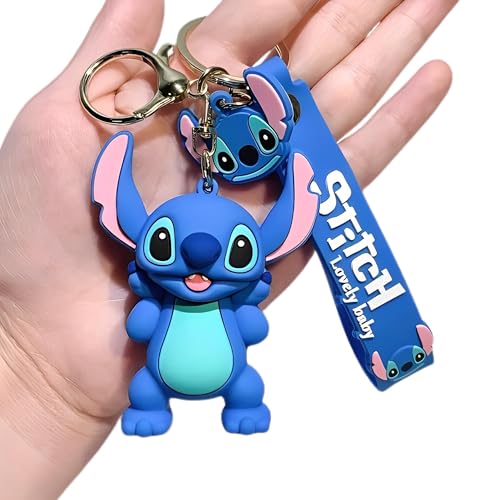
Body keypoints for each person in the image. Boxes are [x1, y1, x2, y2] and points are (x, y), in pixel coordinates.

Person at [0, 0, 457, 497]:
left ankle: (241, 403)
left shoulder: (210, 281)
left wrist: (34, 379)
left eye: (237, 253)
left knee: (243, 385)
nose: (198, 259)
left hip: (219, 371)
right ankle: (158, 404)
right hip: (156, 375)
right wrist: (26, 358)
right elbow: (189, 325)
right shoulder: (174, 282)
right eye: (164, 244)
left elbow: (233, 325)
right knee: (153, 387)